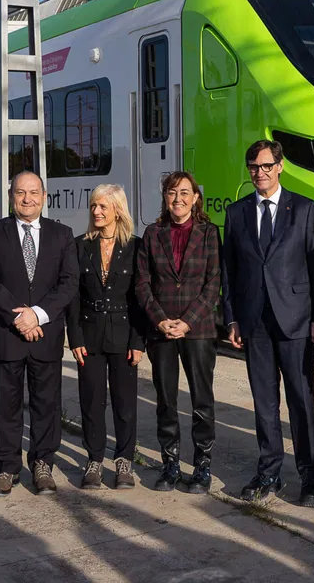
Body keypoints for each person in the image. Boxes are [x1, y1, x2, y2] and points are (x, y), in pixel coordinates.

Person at [222, 139, 314, 507]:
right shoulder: (236, 213)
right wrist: (232, 318)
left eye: (266, 166)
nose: (260, 173)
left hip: (295, 319)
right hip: (255, 323)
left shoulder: (305, 209)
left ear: (280, 167)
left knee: (301, 401)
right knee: (264, 403)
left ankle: (310, 477)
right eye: (254, 167)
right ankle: (269, 471)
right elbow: (229, 271)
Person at [0, 170, 79, 497]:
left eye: (34, 192)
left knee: (46, 404)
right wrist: (19, 315)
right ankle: (6, 467)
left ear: (44, 197)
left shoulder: (62, 234)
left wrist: (38, 315)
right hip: (7, 333)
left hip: (45, 334)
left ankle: (43, 463)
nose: (27, 199)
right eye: (21, 192)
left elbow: (69, 283)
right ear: (11, 196)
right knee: (3, 405)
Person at [135, 171, 222, 493]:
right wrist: (160, 320)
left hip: (198, 330)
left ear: (196, 197)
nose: (178, 199)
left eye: (185, 192)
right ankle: (170, 463)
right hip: (162, 332)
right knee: (166, 400)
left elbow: (213, 283)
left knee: (201, 400)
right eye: (172, 193)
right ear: (165, 197)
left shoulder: (209, 233)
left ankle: (202, 466)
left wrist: (187, 321)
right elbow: (142, 283)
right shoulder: (152, 233)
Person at [67, 184, 145, 491]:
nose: (96, 212)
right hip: (89, 334)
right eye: (93, 206)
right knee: (91, 400)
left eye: (103, 206)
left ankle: (124, 461)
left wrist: (138, 342)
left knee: (125, 403)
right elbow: (73, 295)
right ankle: (95, 460)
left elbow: (140, 299)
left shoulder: (136, 247)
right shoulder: (80, 245)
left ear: (118, 210)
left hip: (124, 334)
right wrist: (74, 337)